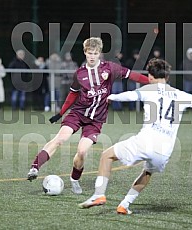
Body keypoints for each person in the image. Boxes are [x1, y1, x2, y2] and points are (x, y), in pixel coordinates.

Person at [78, 58, 192, 214]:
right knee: (148, 172)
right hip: (164, 150)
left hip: (145, 141)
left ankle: (99, 195)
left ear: (150, 76)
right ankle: (124, 205)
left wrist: (111, 97)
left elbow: (129, 96)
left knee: (106, 156)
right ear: (167, 77)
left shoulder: (149, 89)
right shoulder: (181, 95)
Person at [27, 37, 150, 195]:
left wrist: (152, 82)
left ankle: (74, 179)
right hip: (78, 113)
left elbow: (132, 75)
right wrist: (61, 113)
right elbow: (73, 94)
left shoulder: (110, 68)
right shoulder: (80, 74)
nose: (92, 56)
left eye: (95, 53)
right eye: (89, 53)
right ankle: (35, 167)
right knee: (60, 139)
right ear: (85, 53)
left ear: (99, 53)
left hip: (96, 120)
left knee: (82, 151)